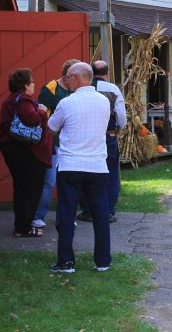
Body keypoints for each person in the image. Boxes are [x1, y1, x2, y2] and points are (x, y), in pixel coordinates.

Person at [48, 63, 112, 274]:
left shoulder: (67, 102)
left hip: (71, 164)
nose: (65, 81)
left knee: (66, 213)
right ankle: (103, 261)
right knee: (100, 213)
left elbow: (51, 128)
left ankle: (66, 261)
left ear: (76, 78)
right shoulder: (104, 101)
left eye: (67, 77)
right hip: (97, 164)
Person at [0, 68, 52, 238]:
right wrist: (42, 110)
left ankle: (21, 226)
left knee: (21, 188)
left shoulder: (10, 100)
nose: (34, 84)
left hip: (14, 149)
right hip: (26, 151)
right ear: (26, 85)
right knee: (31, 189)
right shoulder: (24, 101)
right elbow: (32, 119)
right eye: (32, 81)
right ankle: (24, 226)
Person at [77, 61, 126, 224]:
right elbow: (121, 115)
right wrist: (119, 128)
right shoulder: (112, 89)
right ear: (107, 73)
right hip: (107, 134)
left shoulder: (84, 87)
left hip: (86, 135)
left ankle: (87, 210)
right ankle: (109, 211)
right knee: (110, 173)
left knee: (86, 171)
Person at [32, 59, 79, 229]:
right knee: (50, 181)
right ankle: (37, 216)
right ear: (68, 76)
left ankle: (66, 216)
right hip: (53, 143)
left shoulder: (77, 90)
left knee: (69, 182)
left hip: (71, 143)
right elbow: (41, 114)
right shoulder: (50, 88)